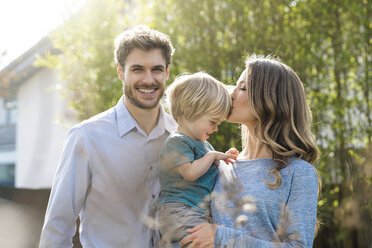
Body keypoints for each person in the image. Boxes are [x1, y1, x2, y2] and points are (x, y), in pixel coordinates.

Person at [39, 25, 177, 247]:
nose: (149, 79)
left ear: (167, 72)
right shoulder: (87, 137)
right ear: (120, 72)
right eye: (138, 69)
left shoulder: (179, 136)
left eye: (157, 69)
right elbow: (57, 227)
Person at [179, 55, 321, 248]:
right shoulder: (220, 165)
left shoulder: (299, 173)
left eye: (243, 88)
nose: (231, 94)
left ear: (270, 100)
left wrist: (224, 238)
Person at [155, 72, 238, 247]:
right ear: (189, 111)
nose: (215, 129)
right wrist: (213, 156)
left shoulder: (204, 144)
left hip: (194, 211)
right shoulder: (177, 141)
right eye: (213, 122)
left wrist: (224, 157)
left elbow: (209, 168)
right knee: (212, 240)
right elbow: (191, 173)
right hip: (177, 209)